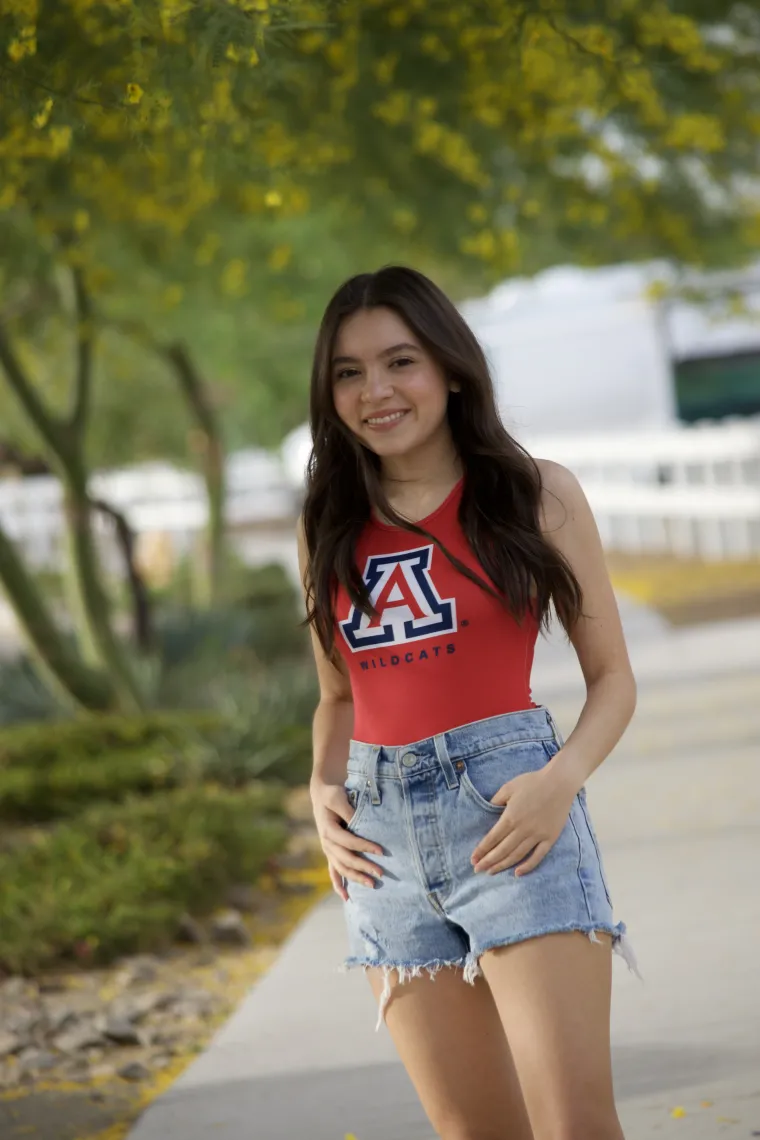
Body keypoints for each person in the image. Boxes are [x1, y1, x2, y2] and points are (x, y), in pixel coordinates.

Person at [297, 265, 639, 1140]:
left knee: (575, 1125)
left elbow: (613, 680)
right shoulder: (328, 520)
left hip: (511, 819)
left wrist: (560, 782)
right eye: (348, 372)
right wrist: (320, 791)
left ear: (450, 368)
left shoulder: (536, 492)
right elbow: (337, 695)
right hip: (379, 851)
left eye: (399, 361)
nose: (375, 391)